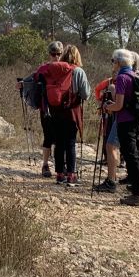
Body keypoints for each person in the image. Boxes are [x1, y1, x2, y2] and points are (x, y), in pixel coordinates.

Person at [37, 44, 91, 187]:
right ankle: (71, 175)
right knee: (70, 142)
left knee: (59, 143)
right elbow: (86, 94)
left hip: (55, 111)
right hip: (72, 112)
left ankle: (59, 174)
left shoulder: (51, 69)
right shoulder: (78, 71)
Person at [101, 49, 139, 206]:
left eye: (113, 61)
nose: (112, 64)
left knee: (130, 156)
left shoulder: (121, 78)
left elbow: (119, 105)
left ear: (119, 62)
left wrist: (108, 106)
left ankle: (137, 194)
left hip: (126, 121)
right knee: (136, 155)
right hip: (137, 120)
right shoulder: (135, 76)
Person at [92, 74, 122, 193]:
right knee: (112, 143)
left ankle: (111, 179)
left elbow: (97, 89)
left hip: (115, 114)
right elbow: (97, 89)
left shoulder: (110, 82)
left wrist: (102, 101)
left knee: (110, 144)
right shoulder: (129, 79)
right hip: (118, 114)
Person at [38, 41, 64, 177]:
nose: (56, 57)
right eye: (53, 54)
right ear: (49, 54)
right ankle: (45, 165)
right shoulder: (43, 68)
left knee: (60, 138)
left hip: (61, 108)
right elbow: (34, 80)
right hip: (46, 108)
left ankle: (60, 166)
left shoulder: (66, 68)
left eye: (58, 54)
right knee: (48, 136)